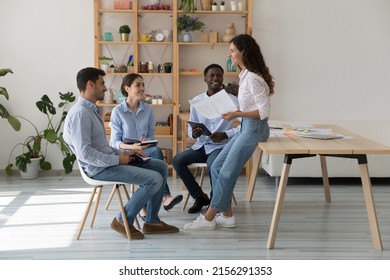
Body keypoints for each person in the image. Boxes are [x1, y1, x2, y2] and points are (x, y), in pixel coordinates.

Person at [63, 67, 179, 240]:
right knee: (153, 179)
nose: (105, 88)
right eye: (102, 83)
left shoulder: (92, 110)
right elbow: (85, 154)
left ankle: (152, 221)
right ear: (90, 84)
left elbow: (103, 147)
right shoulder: (81, 114)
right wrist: (118, 158)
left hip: (109, 160)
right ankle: (122, 219)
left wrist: (128, 153)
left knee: (161, 167)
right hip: (99, 168)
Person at [184, 34, 275, 230]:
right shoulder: (244, 76)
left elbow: (264, 111)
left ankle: (209, 218)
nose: (230, 54)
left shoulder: (252, 78)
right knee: (216, 167)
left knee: (226, 172)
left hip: (255, 129)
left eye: (233, 50)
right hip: (245, 128)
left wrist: (237, 113)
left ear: (244, 52)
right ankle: (227, 215)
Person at [109, 73, 183, 220]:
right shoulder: (117, 111)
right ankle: (163, 197)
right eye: (138, 85)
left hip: (144, 150)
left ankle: (150, 205)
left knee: (155, 150)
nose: (142, 88)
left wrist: (145, 141)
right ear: (127, 88)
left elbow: (151, 136)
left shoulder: (148, 110)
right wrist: (132, 147)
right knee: (155, 162)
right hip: (126, 153)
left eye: (143, 85)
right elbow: (114, 142)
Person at [172, 64, 240, 214]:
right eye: (212, 75)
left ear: (223, 78)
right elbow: (191, 129)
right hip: (201, 145)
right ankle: (199, 196)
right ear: (205, 79)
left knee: (214, 164)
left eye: (218, 75)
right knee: (177, 160)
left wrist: (226, 134)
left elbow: (246, 125)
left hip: (220, 146)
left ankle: (215, 203)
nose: (215, 78)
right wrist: (194, 133)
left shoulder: (233, 100)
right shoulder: (197, 101)